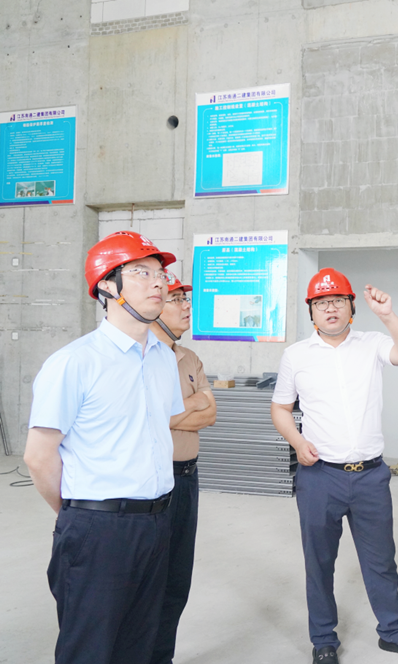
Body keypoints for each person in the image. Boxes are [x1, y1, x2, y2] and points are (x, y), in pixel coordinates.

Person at [23, 231, 184, 664]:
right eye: (141, 273)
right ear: (108, 286)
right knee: (90, 649)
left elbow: (157, 430)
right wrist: (78, 514)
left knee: (139, 644)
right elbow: (38, 456)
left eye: (160, 273)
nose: (159, 282)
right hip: (98, 528)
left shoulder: (163, 358)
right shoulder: (74, 362)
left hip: (157, 522)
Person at [270, 268, 398, 664]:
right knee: (320, 563)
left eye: (338, 300)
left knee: (381, 560)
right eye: (321, 303)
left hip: (371, 476)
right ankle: (323, 640)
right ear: (311, 311)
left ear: (351, 307)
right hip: (320, 477)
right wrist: (298, 442)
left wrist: (388, 315)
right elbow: (280, 408)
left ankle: (392, 633)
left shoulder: (372, 344)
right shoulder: (296, 356)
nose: (330, 309)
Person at [149, 271, 217, 664]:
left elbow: (210, 413)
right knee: (149, 579)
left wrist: (172, 411)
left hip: (189, 478)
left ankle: (162, 657)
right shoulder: (141, 356)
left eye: (185, 299)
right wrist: (189, 404)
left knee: (177, 580)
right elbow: (145, 417)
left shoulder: (189, 358)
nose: (186, 306)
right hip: (156, 480)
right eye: (177, 299)